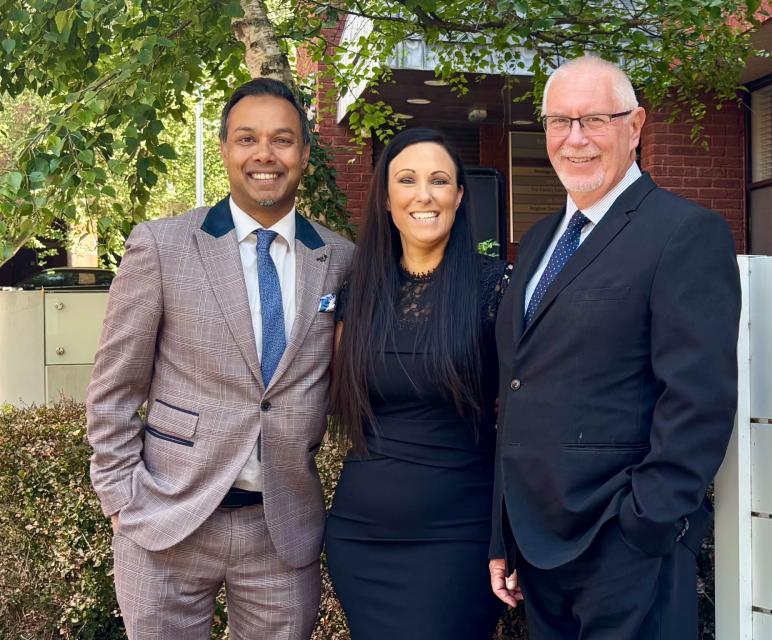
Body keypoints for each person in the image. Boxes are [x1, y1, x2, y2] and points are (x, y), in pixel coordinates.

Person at [86, 78, 354, 639]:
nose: (265, 154)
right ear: (225, 149)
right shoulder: (161, 246)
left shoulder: (340, 259)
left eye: (282, 140)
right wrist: (120, 498)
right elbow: (114, 389)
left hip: (281, 531)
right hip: (166, 520)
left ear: (305, 153)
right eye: (247, 139)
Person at [489, 56, 740, 639]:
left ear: (635, 126)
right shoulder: (540, 241)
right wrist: (503, 532)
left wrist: (645, 522)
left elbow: (699, 400)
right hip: (539, 548)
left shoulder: (684, 232)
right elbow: (518, 388)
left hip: (624, 547)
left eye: (595, 119)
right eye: (559, 121)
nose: (574, 138)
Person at [325, 127, 510, 639]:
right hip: (360, 538)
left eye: (439, 180)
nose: (423, 195)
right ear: (386, 199)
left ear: (459, 196)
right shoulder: (358, 289)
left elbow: (524, 412)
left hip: (458, 539)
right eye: (406, 180)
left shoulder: (496, 287)